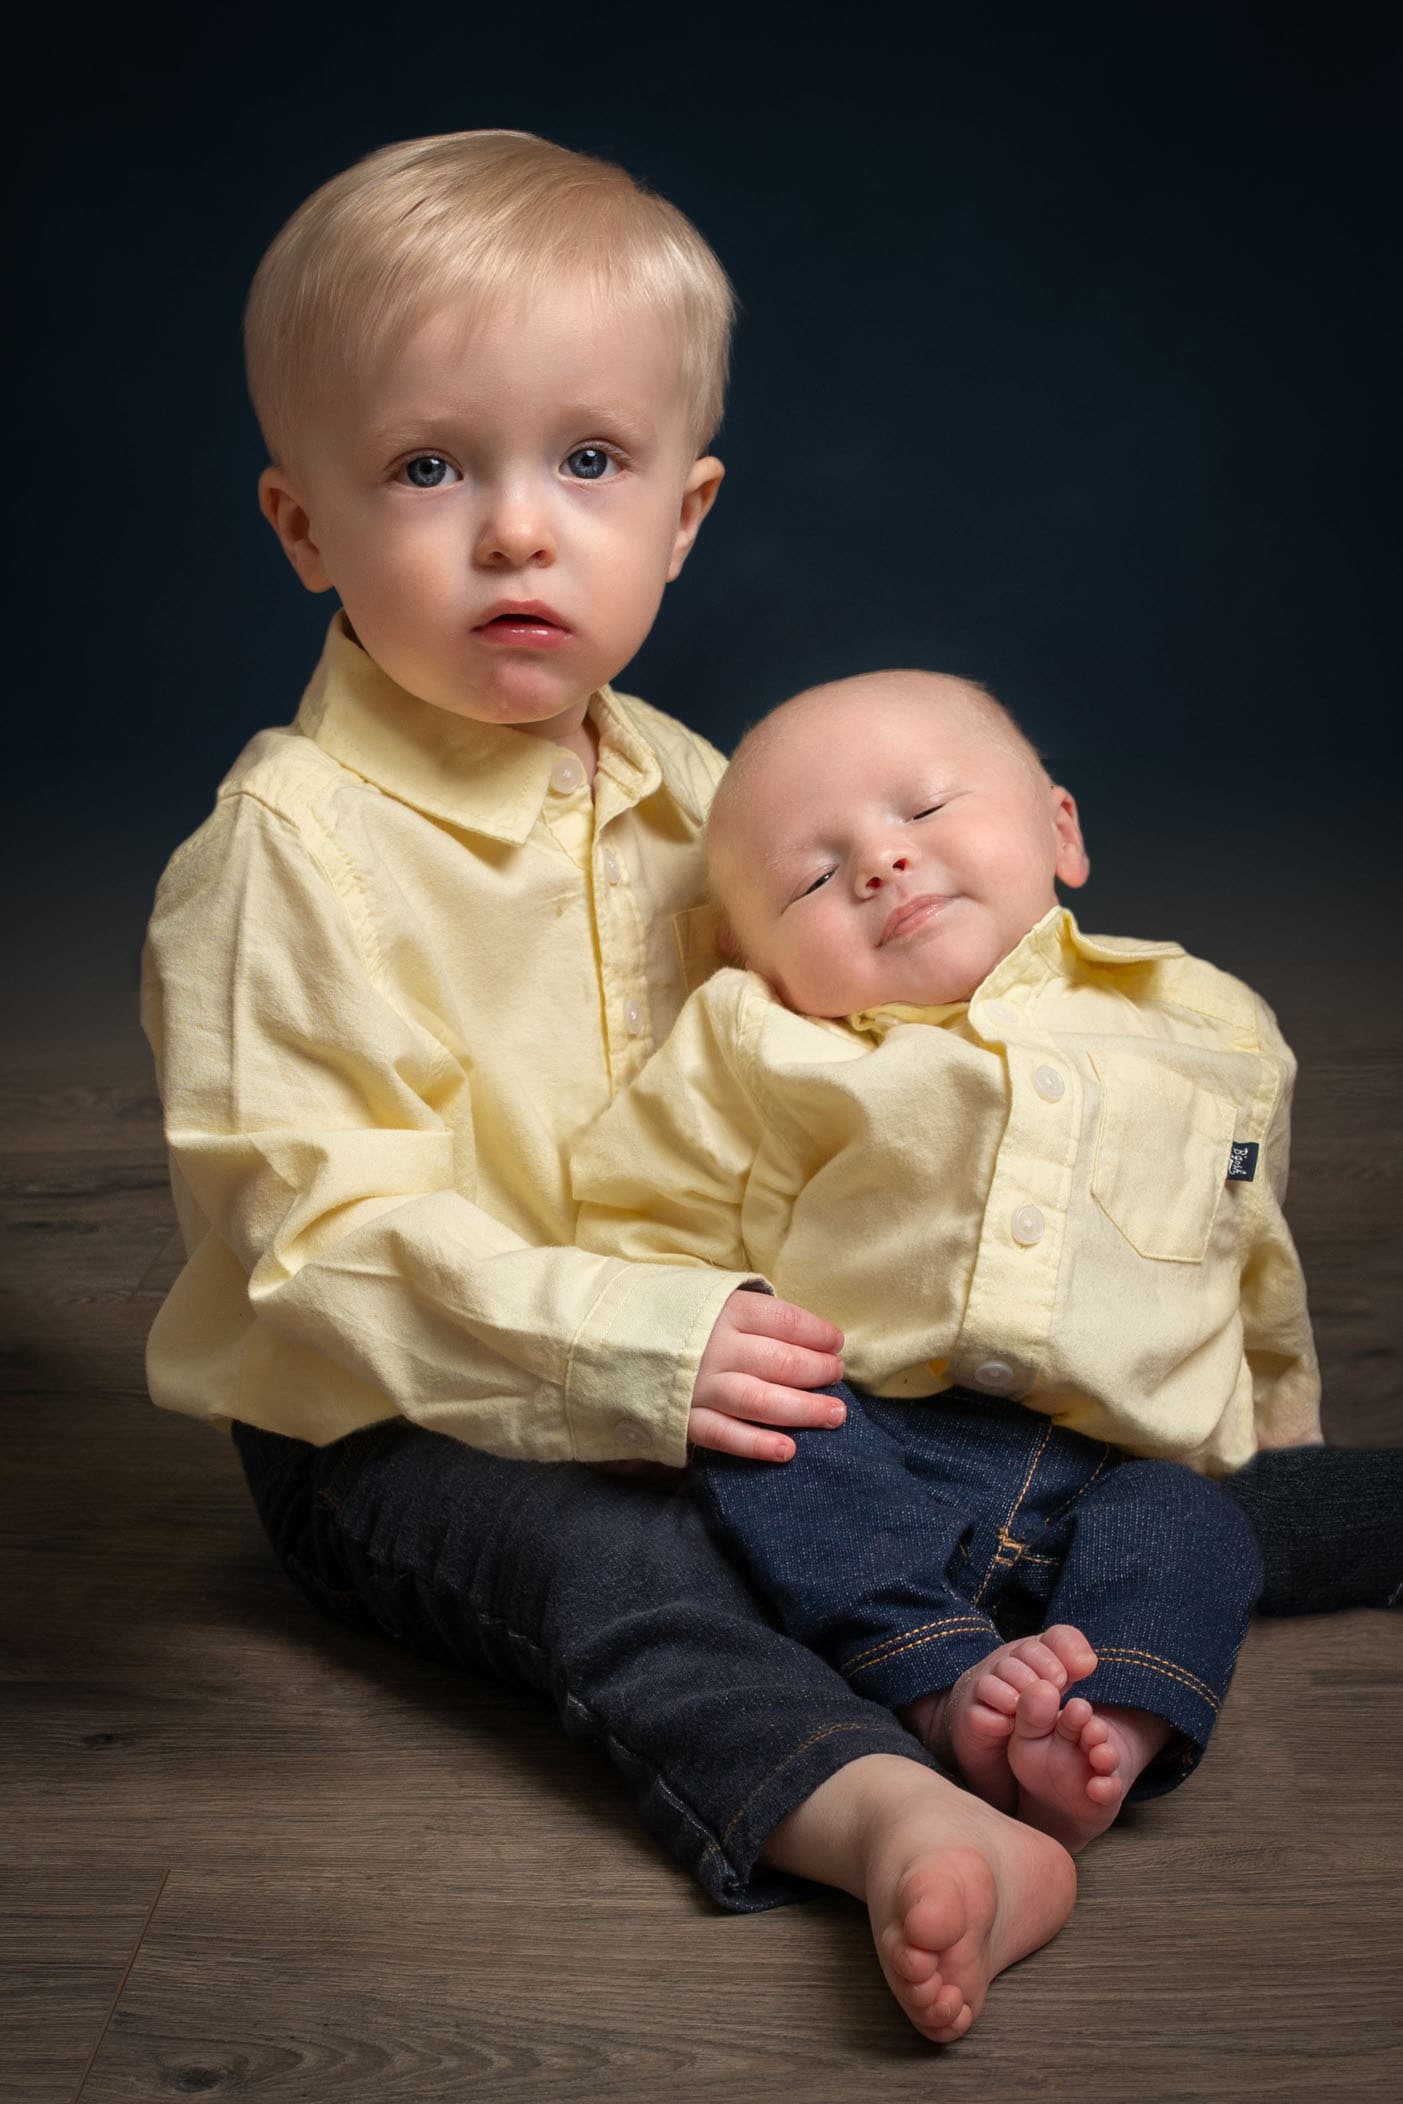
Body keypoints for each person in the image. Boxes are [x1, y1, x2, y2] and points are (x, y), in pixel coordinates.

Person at [139, 130, 1396, 2048]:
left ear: (684, 512)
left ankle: (1098, 1639)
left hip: (757, 1366)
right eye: (422, 468)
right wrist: (641, 1338)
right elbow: (309, 1244)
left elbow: (913, 1068)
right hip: (402, 1418)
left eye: (587, 461)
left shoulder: (697, 786)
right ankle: (885, 1801)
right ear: (302, 525)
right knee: (623, 1568)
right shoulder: (285, 855)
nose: (514, 532)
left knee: (1100, 1468)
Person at [570, 668, 1326, 1848]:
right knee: (771, 1438)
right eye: (812, 878)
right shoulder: (757, 1041)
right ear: (754, 956)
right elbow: (642, 1216)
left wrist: (1280, 1424)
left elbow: (1249, 1257)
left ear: (1060, 829)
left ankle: (1103, 1726)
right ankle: (938, 1678)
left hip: (1113, 1463)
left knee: (1193, 1526)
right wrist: (675, 1358)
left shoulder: (1204, 1024)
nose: (879, 864)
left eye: (922, 811)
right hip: (878, 1446)